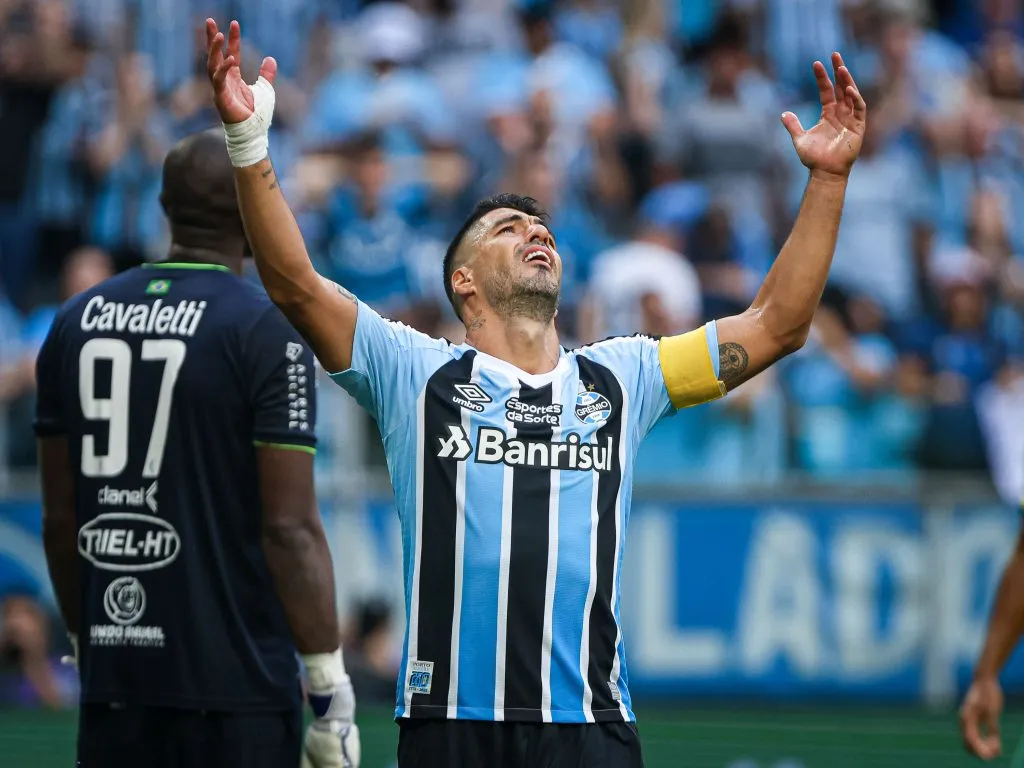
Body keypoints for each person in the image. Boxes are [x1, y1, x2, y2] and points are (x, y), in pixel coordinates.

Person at [205, 18, 866, 768]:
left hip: (587, 727)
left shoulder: (623, 375)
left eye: (541, 226)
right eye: (508, 228)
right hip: (448, 722)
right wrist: (248, 144)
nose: (536, 233)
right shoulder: (413, 372)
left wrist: (830, 178)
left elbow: (777, 325)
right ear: (463, 280)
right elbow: (294, 284)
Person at [33, 129, 360, 768]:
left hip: (118, 686)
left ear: (164, 206)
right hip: (234, 692)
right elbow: (289, 528)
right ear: (250, 205)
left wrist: (85, 636)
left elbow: (60, 518)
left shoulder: (75, 318)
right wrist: (328, 687)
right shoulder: (267, 330)